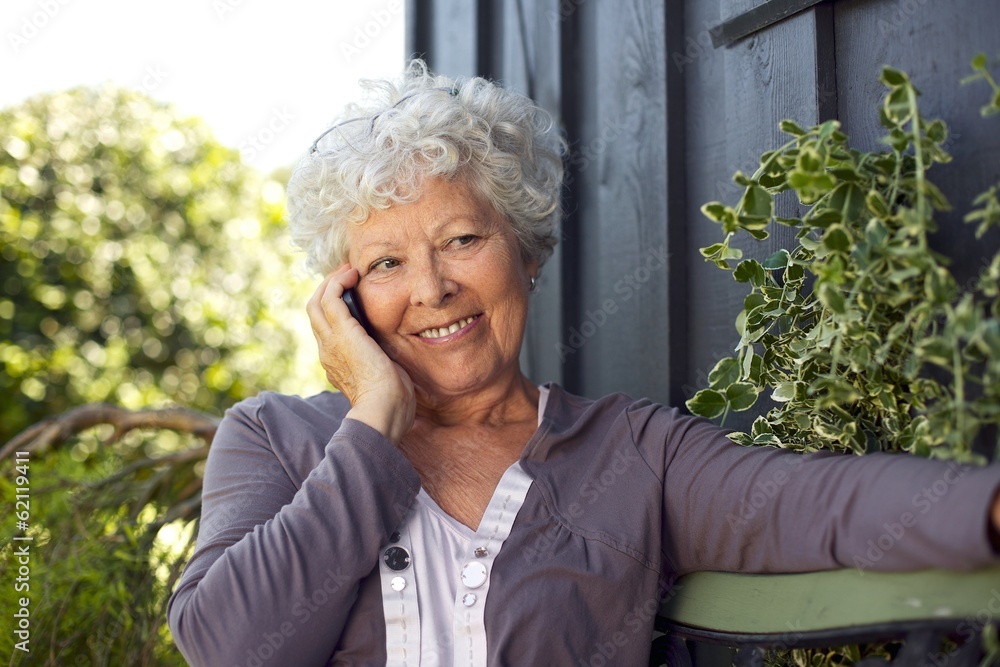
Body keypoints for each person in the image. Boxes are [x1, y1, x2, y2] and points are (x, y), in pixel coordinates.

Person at [167, 60, 1000, 667]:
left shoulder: (632, 455)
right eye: (385, 263)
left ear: (524, 252)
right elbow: (231, 646)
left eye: (462, 239)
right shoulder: (275, 439)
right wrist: (374, 416)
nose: (431, 288)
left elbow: (821, 503)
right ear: (342, 297)